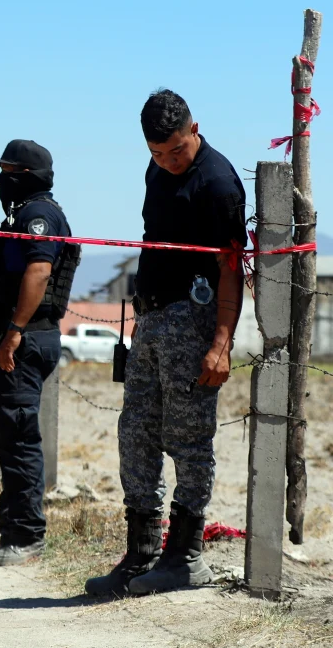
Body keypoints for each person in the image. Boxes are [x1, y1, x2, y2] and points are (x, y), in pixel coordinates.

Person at [86, 90, 246, 596]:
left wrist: (222, 342)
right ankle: (140, 555)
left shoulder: (218, 183)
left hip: (193, 321)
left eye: (176, 151)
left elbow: (230, 268)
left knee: (188, 440)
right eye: (157, 153)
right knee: (136, 433)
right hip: (151, 319)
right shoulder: (156, 171)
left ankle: (184, 557)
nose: (168, 162)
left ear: (195, 129)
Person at [0, 140, 78, 566]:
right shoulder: (25, 214)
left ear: (25, 176)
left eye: (8, 171)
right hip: (19, 336)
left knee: (18, 437)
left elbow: (39, 270)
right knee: (9, 436)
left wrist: (14, 331)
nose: (2, 179)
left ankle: (26, 537)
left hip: (25, 338)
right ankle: (12, 533)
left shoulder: (38, 216)